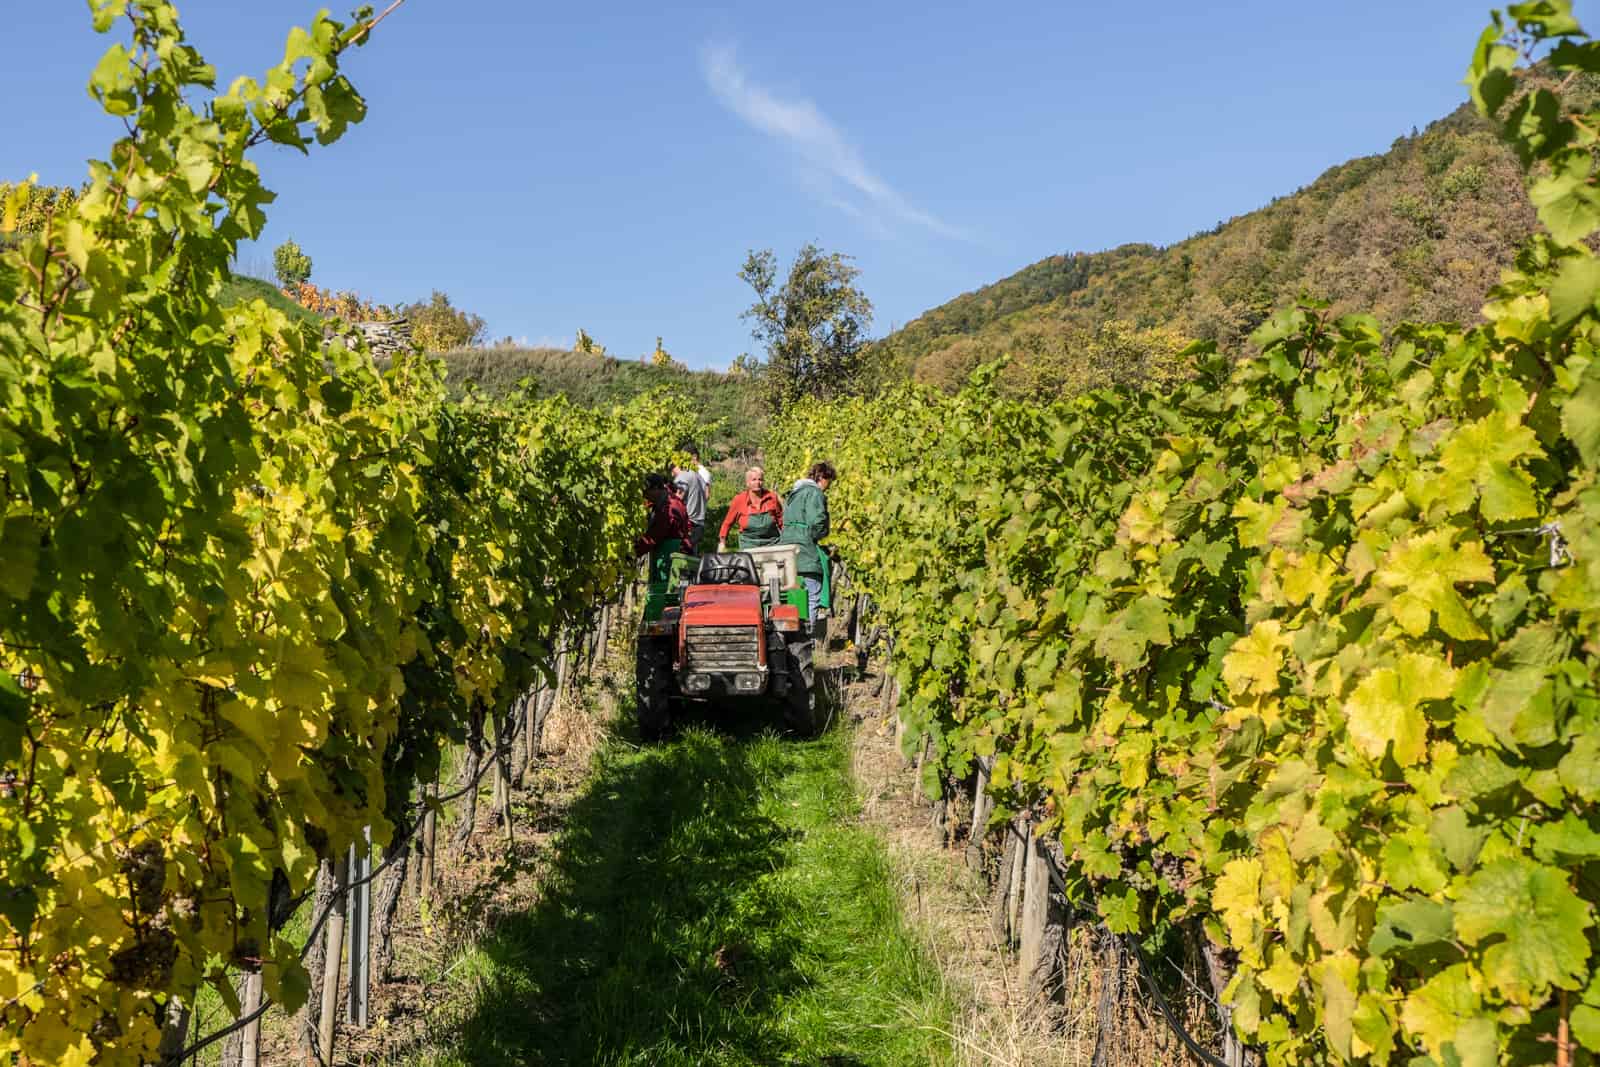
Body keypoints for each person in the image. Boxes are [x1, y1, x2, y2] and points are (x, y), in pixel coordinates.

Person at [778, 461, 834, 624]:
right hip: (805, 549)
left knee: (793, 594)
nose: (827, 487)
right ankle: (808, 635)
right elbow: (817, 522)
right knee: (812, 592)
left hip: (787, 548)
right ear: (822, 477)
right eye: (828, 483)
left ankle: (792, 633)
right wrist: (818, 536)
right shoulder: (814, 493)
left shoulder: (793, 494)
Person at [717, 466, 784, 551]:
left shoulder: (772, 498)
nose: (757, 482)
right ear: (747, 483)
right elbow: (727, 523)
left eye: (760, 479)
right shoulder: (739, 500)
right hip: (749, 546)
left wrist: (788, 538)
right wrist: (722, 543)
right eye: (754, 480)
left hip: (772, 544)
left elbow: (781, 520)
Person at [635, 472, 690, 564]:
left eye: (646, 492)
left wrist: (633, 553)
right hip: (673, 553)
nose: (644, 495)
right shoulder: (669, 498)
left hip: (672, 557)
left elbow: (654, 536)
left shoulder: (668, 510)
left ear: (656, 489)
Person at [672, 457, 707, 552]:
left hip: (688, 525)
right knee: (692, 560)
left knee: (682, 559)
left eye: (671, 469)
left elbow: (677, 500)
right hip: (699, 524)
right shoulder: (698, 476)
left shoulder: (683, 477)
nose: (672, 474)